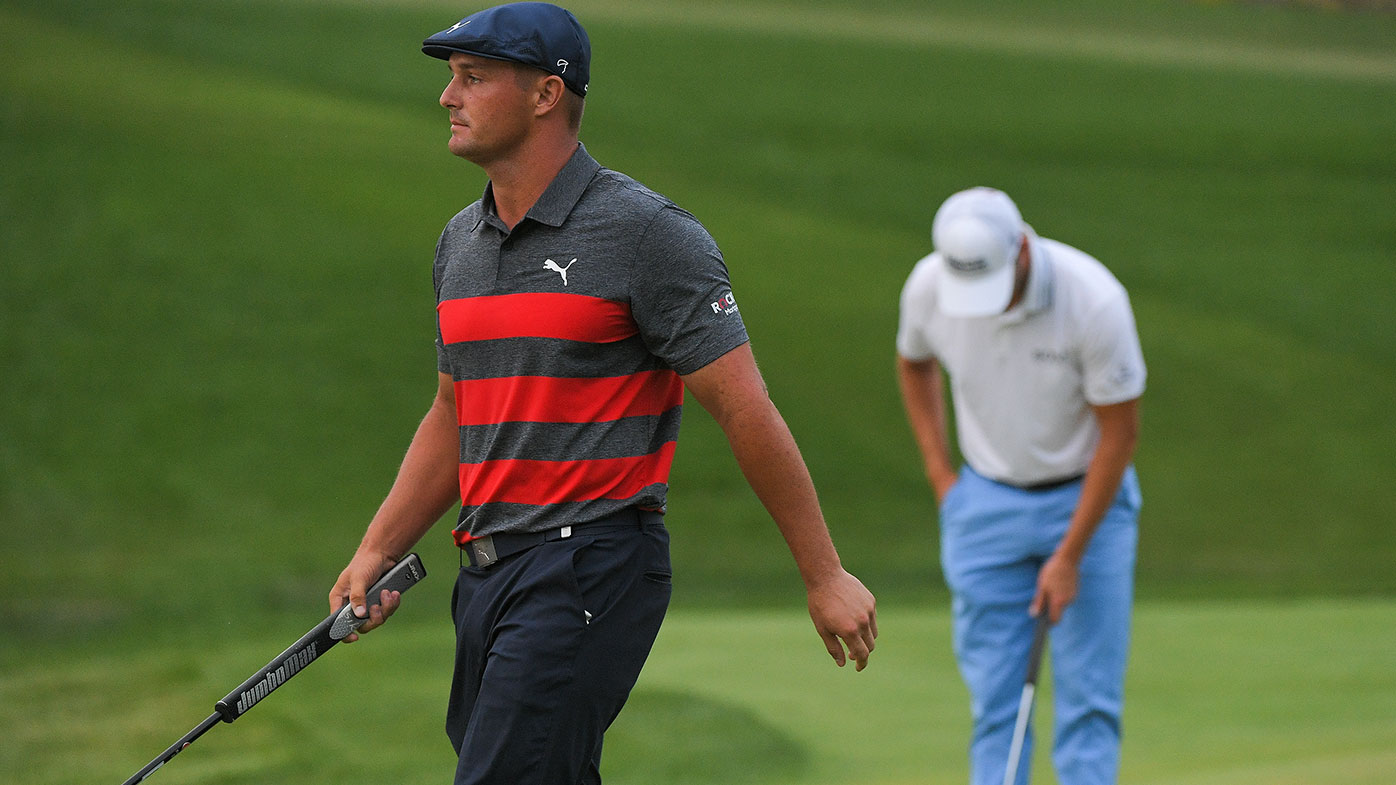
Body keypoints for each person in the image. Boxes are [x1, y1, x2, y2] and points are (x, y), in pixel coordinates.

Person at [326, 4, 878, 784]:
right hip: (485, 573)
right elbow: (454, 412)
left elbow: (744, 405)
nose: (448, 97)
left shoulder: (647, 234)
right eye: (453, 79)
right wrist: (378, 548)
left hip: (588, 564)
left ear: (546, 94)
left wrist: (823, 573)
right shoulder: (460, 244)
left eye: (473, 78)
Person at [895, 187, 1145, 785]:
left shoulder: (1094, 300)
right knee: (996, 703)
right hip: (983, 505)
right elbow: (914, 361)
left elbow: (1120, 435)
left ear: (1022, 250)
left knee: (1090, 703)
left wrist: (1070, 555)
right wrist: (941, 477)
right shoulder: (930, 285)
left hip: (1088, 501)